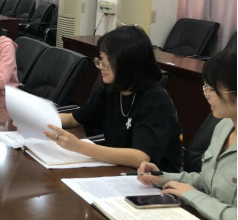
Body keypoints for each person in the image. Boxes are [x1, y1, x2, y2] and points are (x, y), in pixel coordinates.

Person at [109, 49, 236, 220]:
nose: (206, 94)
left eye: (212, 88)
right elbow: (208, 180)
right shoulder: (223, 127)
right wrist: (162, 177)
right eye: (205, 86)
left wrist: (190, 194)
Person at [44, 26, 183, 171]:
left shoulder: (156, 100)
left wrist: (79, 146)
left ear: (127, 63)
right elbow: (73, 118)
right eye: (100, 59)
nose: (100, 66)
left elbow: (140, 157)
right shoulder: (111, 89)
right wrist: (38, 119)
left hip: (155, 178)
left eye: (106, 61)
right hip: (119, 168)